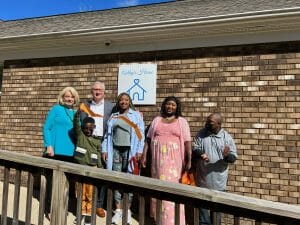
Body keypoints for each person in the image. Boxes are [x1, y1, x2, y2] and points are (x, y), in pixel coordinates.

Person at [141, 96, 192, 225]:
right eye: (168, 104)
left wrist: (189, 159)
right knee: (158, 188)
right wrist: (144, 155)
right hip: (157, 161)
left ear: (177, 107)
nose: (170, 107)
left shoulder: (181, 121)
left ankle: (172, 221)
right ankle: (159, 219)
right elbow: (148, 139)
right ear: (164, 105)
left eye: (173, 105)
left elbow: (187, 142)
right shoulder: (157, 120)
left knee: (171, 190)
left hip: (174, 162)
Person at [102, 92, 145, 225]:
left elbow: (140, 134)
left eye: (126, 100)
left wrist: (139, 150)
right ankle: (118, 210)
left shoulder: (136, 115)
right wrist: (104, 149)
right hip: (115, 151)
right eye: (121, 100)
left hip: (130, 152)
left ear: (129, 102)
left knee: (129, 179)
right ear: (118, 102)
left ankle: (127, 210)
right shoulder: (114, 116)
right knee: (116, 179)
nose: (124, 102)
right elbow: (107, 135)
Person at [192, 112, 237, 225]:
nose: (206, 124)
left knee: (216, 213)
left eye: (210, 122)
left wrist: (227, 157)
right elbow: (195, 148)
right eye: (207, 121)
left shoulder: (227, 138)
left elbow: (233, 158)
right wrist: (201, 153)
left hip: (218, 182)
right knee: (203, 215)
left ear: (219, 124)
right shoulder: (201, 134)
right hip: (202, 180)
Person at [43, 86, 80, 218]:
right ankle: (50, 209)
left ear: (75, 99)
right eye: (67, 96)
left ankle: (61, 208)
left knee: (66, 184)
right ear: (62, 98)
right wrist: (49, 146)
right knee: (53, 183)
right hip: (55, 151)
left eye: (72, 97)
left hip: (70, 153)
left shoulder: (76, 113)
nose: (69, 99)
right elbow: (46, 128)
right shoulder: (56, 109)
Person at [79, 81, 114, 217]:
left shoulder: (111, 106)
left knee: (102, 174)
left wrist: (137, 113)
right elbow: (79, 123)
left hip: (103, 143)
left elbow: (125, 112)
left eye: (99, 89)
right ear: (91, 91)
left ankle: (99, 205)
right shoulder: (84, 106)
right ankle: (85, 205)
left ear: (104, 92)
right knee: (86, 174)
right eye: (94, 89)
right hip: (88, 142)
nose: (97, 91)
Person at [73, 109, 102, 225]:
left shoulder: (97, 141)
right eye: (85, 128)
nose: (88, 130)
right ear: (82, 128)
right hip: (80, 168)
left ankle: (88, 214)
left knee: (89, 192)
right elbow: (75, 124)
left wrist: (99, 166)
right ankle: (80, 214)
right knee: (79, 192)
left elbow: (99, 154)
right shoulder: (80, 136)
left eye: (90, 128)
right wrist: (77, 115)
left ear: (94, 127)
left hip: (91, 169)